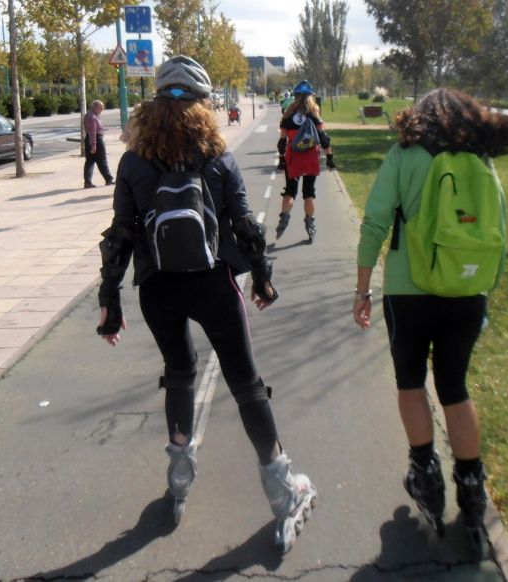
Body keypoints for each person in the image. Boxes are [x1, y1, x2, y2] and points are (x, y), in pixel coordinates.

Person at [95, 55, 317, 552]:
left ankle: (178, 475)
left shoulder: (132, 162)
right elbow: (247, 227)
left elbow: (120, 236)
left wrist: (110, 301)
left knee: (179, 373)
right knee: (246, 384)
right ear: (202, 105)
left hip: (157, 287)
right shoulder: (217, 156)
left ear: (153, 106)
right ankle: (283, 490)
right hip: (214, 284)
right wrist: (262, 279)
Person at [353, 88, 508, 550]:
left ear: (420, 118)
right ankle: (471, 485)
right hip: (466, 293)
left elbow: (374, 223)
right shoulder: (481, 159)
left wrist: (363, 288)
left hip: (409, 294)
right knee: (454, 386)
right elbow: (498, 228)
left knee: (410, 382)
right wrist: (484, 288)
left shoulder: (405, 154)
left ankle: (425, 471)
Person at [275, 80, 336, 243]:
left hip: (293, 159)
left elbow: (282, 143)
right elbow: (324, 140)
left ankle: (284, 218)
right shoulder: (314, 115)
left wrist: (281, 161)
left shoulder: (288, 116)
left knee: (290, 190)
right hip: (309, 160)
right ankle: (310, 224)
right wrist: (330, 158)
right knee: (309, 192)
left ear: (295, 96)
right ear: (310, 97)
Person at [83, 100, 114, 189]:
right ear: (95, 107)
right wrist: (94, 144)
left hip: (91, 139)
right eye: (101, 107)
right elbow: (92, 132)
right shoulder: (92, 117)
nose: (102, 109)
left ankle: (88, 182)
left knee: (90, 161)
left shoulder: (91, 115)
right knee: (101, 160)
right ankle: (108, 179)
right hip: (96, 139)